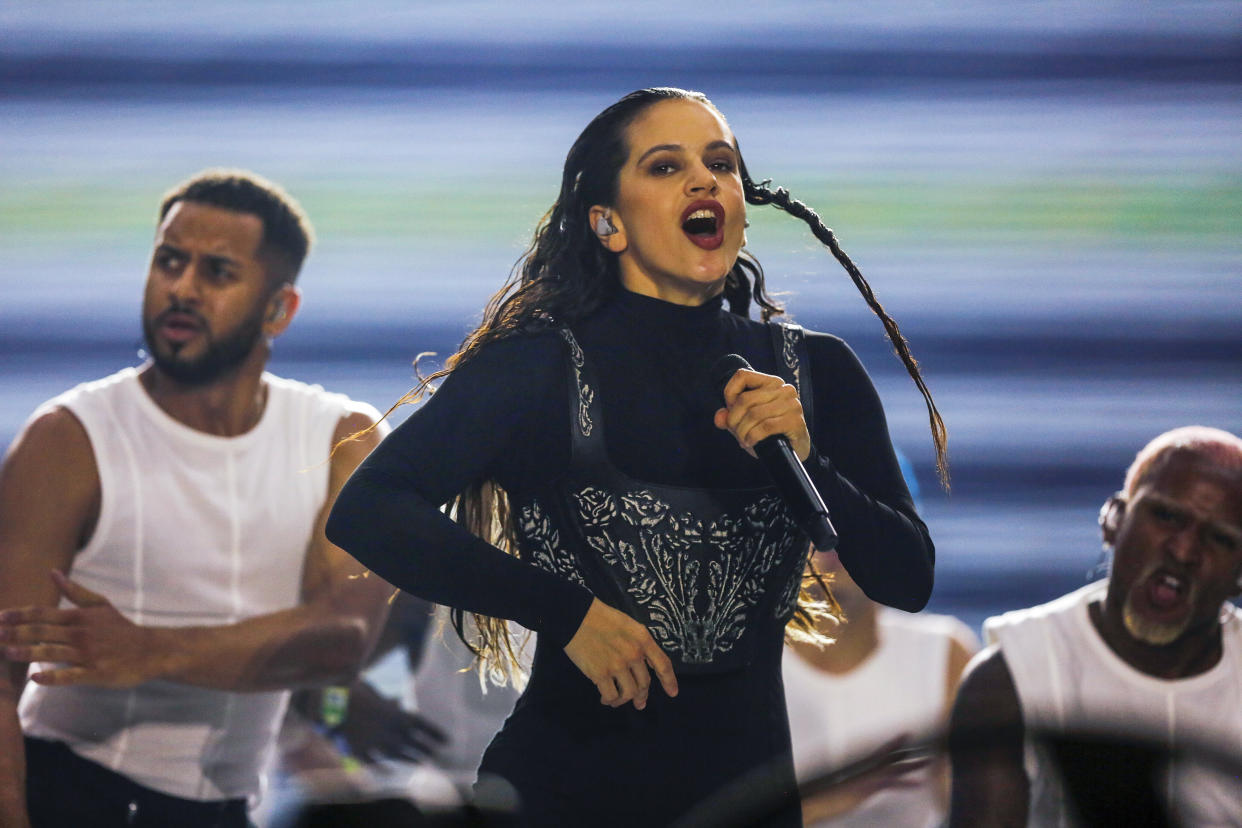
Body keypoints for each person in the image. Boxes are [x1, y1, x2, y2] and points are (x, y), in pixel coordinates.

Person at [326, 87, 946, 826]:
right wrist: (566, 612)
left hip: (748, 800)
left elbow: (907, 577)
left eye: (721, 163)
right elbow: (368, 511)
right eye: (664, 166)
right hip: (560, 795)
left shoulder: (817, 372)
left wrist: (811, 462)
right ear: (607, 223)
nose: (704, 181)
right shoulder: (538, 369)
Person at [0, 170, 393, 828]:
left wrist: (151, 650)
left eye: (217, 271)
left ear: (279, 310)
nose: (181, 288)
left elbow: (342, 640)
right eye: (168, 261)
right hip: (65, 794)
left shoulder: (343, 439)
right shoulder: (64, 440)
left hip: (228, 810)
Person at [948, 426, 1242, 827]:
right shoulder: (1011, 678)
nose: (1184, 550)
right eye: (1166, 515)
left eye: (1219, 539)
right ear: (1114, 522)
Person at [783, 545, 978, 826]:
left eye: (855, 509)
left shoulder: (946, 652)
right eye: (817, 508)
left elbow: (979, 807)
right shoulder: (736, 657)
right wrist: (825, 800)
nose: (833, 534)